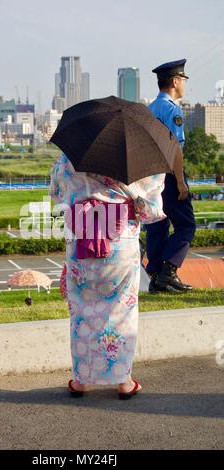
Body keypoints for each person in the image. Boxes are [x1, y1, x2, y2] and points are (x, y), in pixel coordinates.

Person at [51, 154, 166, 398]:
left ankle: (80, 379)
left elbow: (57, 193)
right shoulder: (138, 155)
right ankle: (123, 381)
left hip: (81, 233)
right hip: (119, 238)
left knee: (81, 309)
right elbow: (151, 209)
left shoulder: (68, 156)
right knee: (121, 308)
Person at [146, 59, 196, 293]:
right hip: (168, 174)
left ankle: (156, 277)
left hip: (150, 176)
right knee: (186, 225)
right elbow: (175, 147)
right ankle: (169, 271)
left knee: (158, 224)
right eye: (183, 79)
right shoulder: (171, 109)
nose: (185, 83)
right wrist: (180, 181)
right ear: (175, 81)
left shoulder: (149, 109)